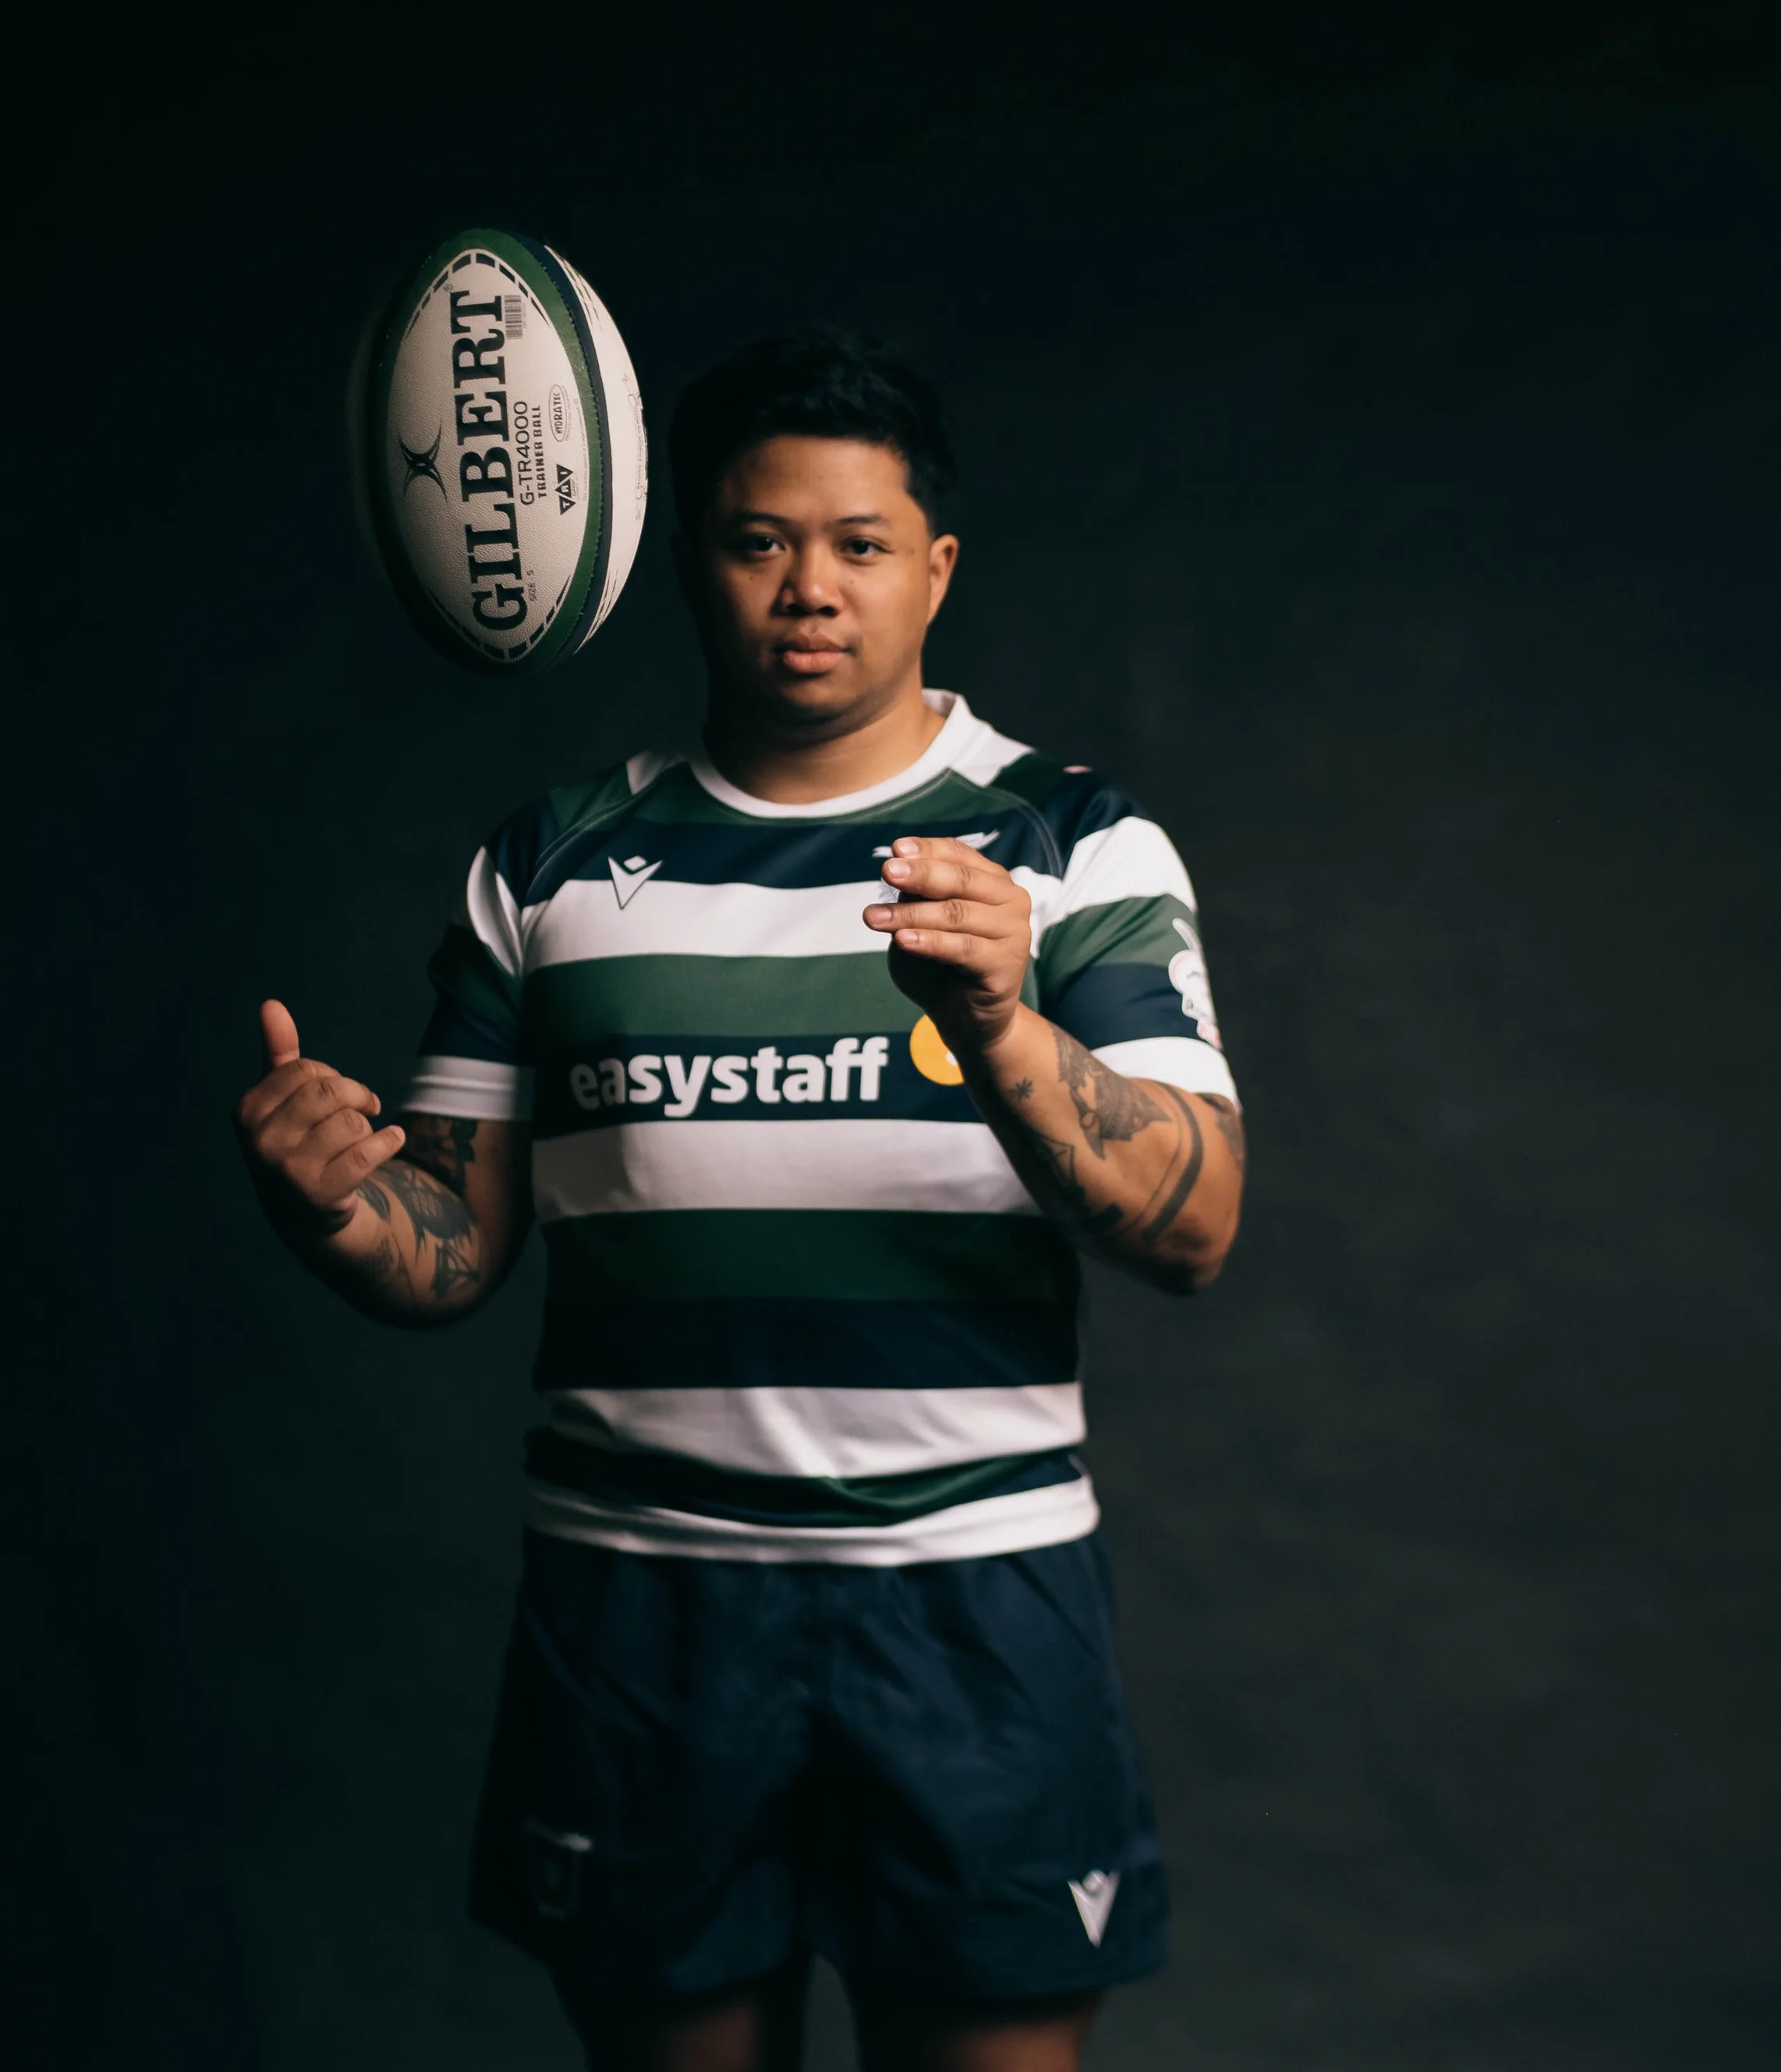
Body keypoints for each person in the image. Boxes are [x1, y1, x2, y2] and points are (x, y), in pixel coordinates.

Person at [233, 328, 1245, 2072]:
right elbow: (451, 1242)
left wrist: (1005, 1025)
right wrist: (332, 1203)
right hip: (642, 1608)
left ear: (931, 566)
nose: (808, 588)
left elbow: (1193, 1222)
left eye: (858, 544)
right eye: (757, 539)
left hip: (969, 1592)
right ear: (677, 558)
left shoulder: (1065, 844)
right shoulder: (548, 864)